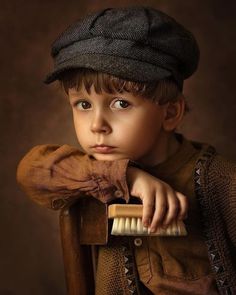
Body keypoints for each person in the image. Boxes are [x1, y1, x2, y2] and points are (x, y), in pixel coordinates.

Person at [16, 7, 236, 295]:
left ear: (170, 113)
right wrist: (128, 177)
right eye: (83, 104)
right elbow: (30, 171)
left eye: (121, 104)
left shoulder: (216, 178)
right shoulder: (87, 172)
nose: (97, 125)